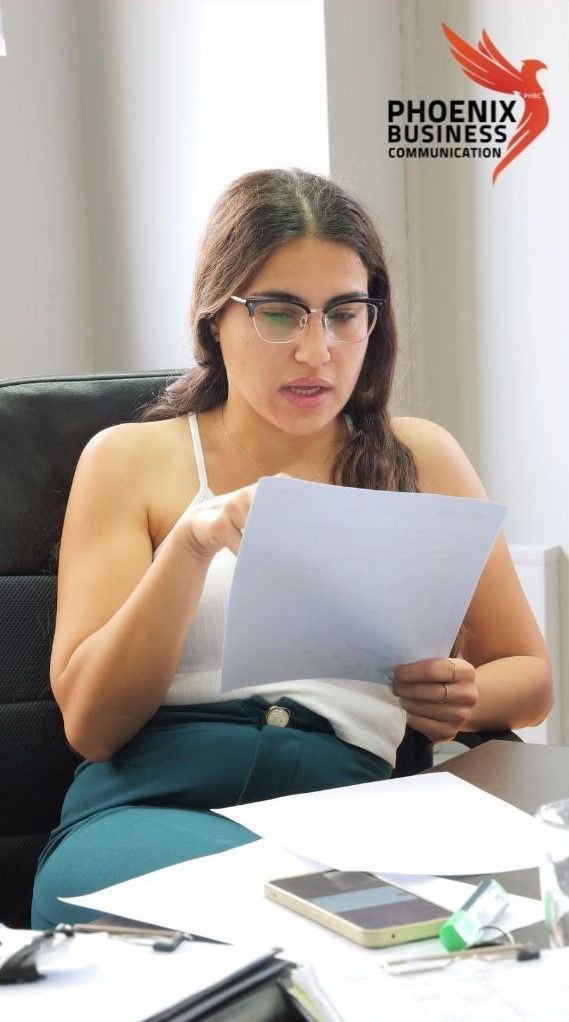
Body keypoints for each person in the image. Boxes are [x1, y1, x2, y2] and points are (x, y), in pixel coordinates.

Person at [32, 168, 552, 928]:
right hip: (152, 803)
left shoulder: (420, 458)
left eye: (344, 313)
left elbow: (528, 675)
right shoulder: (128, 459)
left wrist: (461, 694)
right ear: (216, 319)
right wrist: (191, 545)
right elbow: (92, 723)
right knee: (284, 929)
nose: (317, 351)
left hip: (348, 807)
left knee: (474, 929)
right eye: (279, 314)